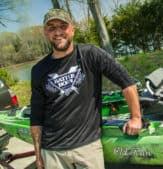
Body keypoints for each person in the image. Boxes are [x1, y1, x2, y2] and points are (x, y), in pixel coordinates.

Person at [30, 8, 143, 169]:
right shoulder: (38, 70)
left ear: (72, 30)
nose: (58, 32)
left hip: (87, 148)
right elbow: (36, 116)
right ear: (45, 32)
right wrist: (38, 154)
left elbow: (126, 82)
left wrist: (136, 117)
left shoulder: (90, 54)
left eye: (63, 26)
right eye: (52, 28)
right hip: (53, 151)